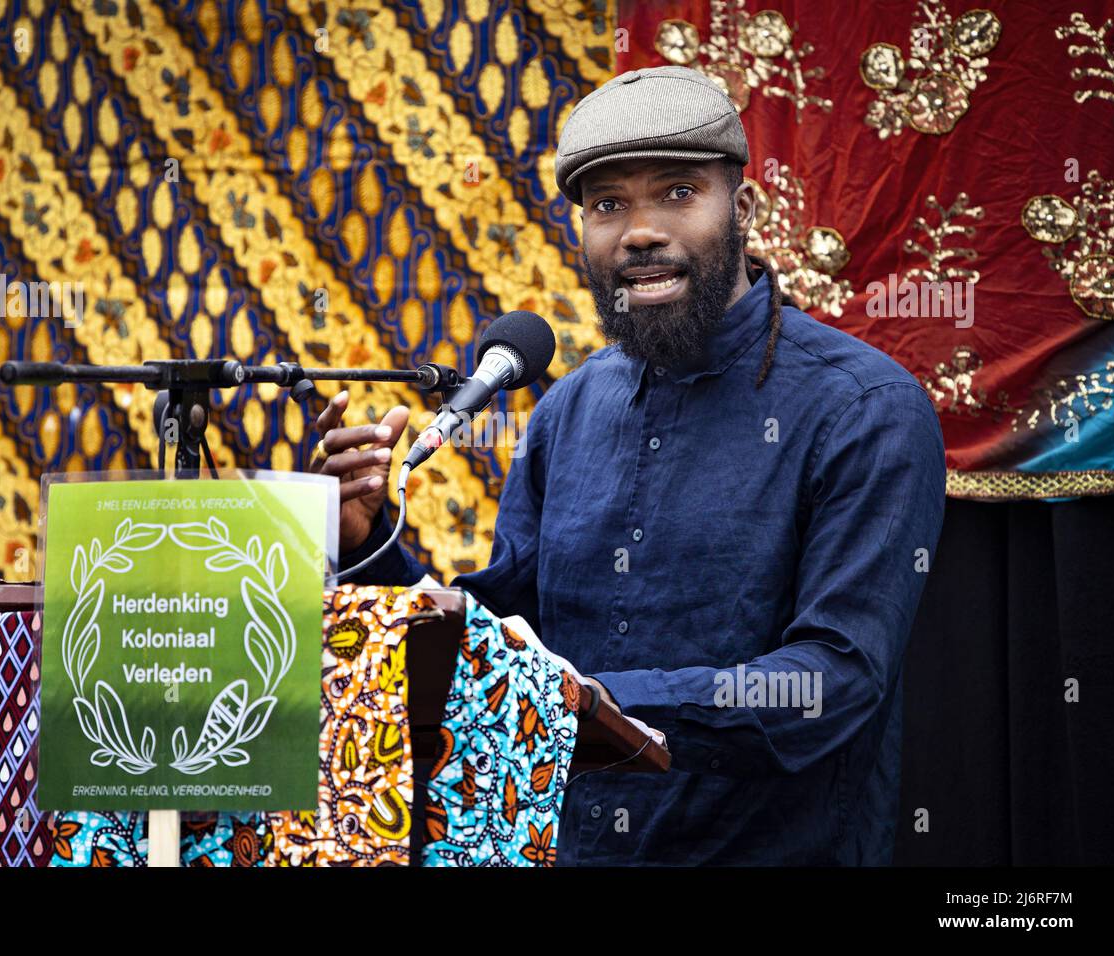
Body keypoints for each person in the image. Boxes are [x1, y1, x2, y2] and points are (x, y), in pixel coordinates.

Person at [309, 66, 946, 865]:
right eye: (608, 205)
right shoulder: (566, 410)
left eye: (677, 192)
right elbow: (504, 635)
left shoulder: (865, 407)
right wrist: (370, 549)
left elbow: (835, 679)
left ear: (742, 210)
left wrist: (597, 707)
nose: (639, 230)